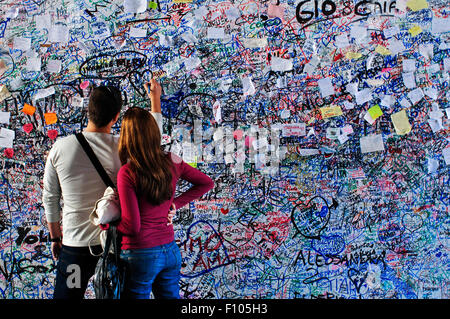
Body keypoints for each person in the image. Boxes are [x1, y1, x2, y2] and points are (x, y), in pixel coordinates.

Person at [42, 79, 173, 299]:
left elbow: (50, 197)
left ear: (88, 111)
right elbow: (153, 144)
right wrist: (155, 100)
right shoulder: (125, 146)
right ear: (115, 117)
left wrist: (56, 238)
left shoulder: (61, 148)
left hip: (76, 249)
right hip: (118, 247)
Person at [116, 106, 214, 299]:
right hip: (170, 250)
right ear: (154, 133)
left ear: (126, 137)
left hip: (140, 253)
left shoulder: (127, 172)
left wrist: (106, 224)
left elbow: (133, 226)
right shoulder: (172, 160)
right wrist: (175, 203)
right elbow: (206, 182)